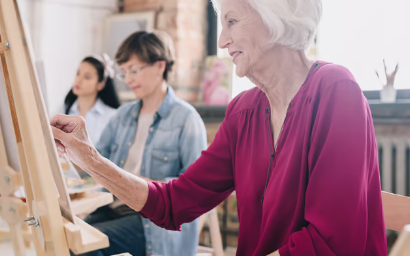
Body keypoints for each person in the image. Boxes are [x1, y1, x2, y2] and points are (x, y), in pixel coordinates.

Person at [51, 0, 387, 255]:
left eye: (232, 21)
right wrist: (89, 159)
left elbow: (330, 242)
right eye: (220, 24)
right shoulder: (243, 112)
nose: (222, 40)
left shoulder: (335, 90)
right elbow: (174, 203)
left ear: (276, 16)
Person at [72, 31, 207, 256]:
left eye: (134, 70)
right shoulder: (122, 116)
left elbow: (194, 192)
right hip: (113, 209)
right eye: (125, 72)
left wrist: (136, 184)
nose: (129, 80)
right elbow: (94, 164)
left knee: (86, 247)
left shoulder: (186, 119)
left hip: (151, 220)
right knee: (67, 239)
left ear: (160, 66)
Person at [62, 55, 120, 144]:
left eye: (87, 77)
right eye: (78, 74)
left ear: (101, 84)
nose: (79, 80)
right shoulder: (61, 112)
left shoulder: (112, 117)